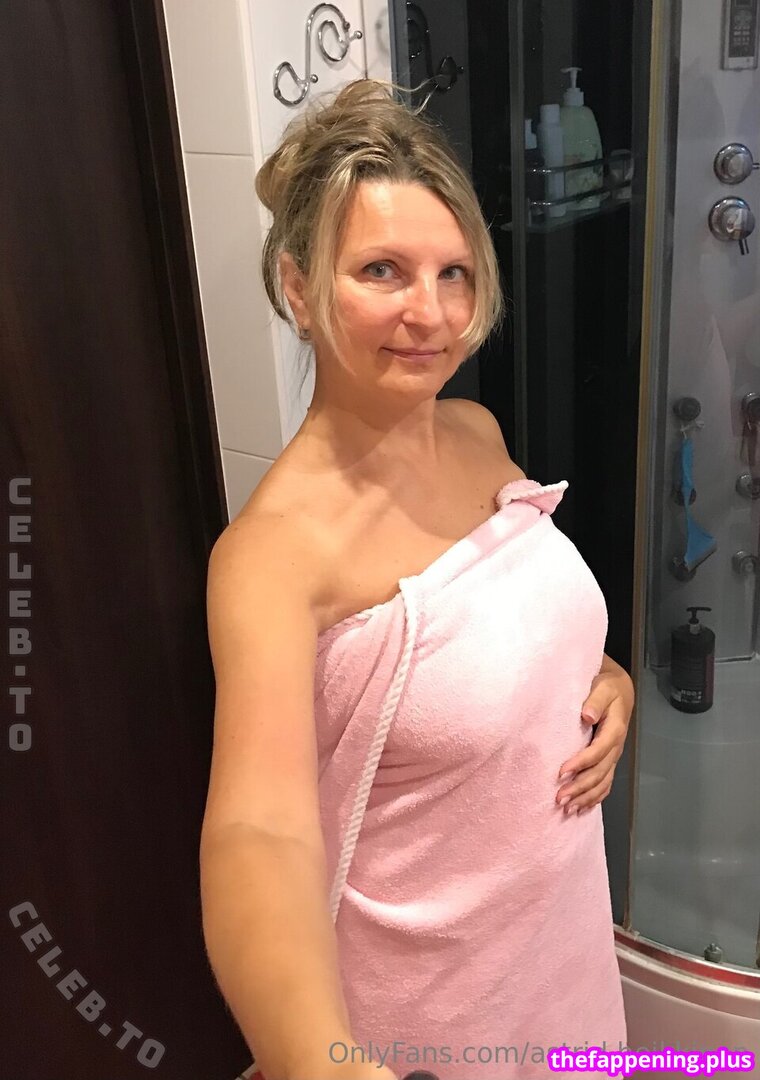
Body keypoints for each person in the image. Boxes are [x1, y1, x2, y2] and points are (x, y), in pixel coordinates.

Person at [201, 79, 635, 1080]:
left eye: (454, 274)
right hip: (431, 1015)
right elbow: (259, 834)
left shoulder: (476, 434)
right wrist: (323, 1065)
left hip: (559, 954)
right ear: (298, 287)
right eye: (382, 271)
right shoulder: (272, 558)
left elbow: (502, 634)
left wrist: (601, 674)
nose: (430, 314)